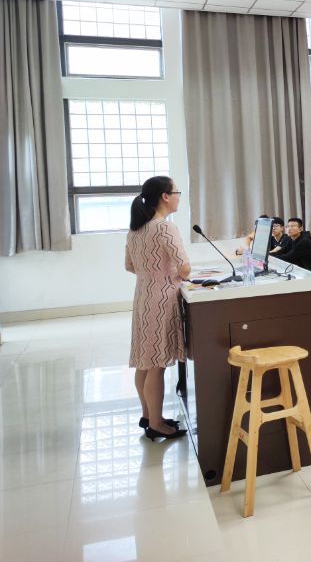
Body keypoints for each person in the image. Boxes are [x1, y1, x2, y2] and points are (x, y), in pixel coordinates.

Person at [125, 176, 190, 440]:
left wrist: (152, 274)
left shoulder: (135, 230)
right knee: (157, 365)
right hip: (162, 300)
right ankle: (156, 424)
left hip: (143, 297)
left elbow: (129, 266)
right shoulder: (165, 228)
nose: (178, 197)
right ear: (165, 196)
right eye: (177, 192)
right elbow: (184, 267)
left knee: (145, 361)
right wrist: (173, 275)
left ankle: (148, 415)